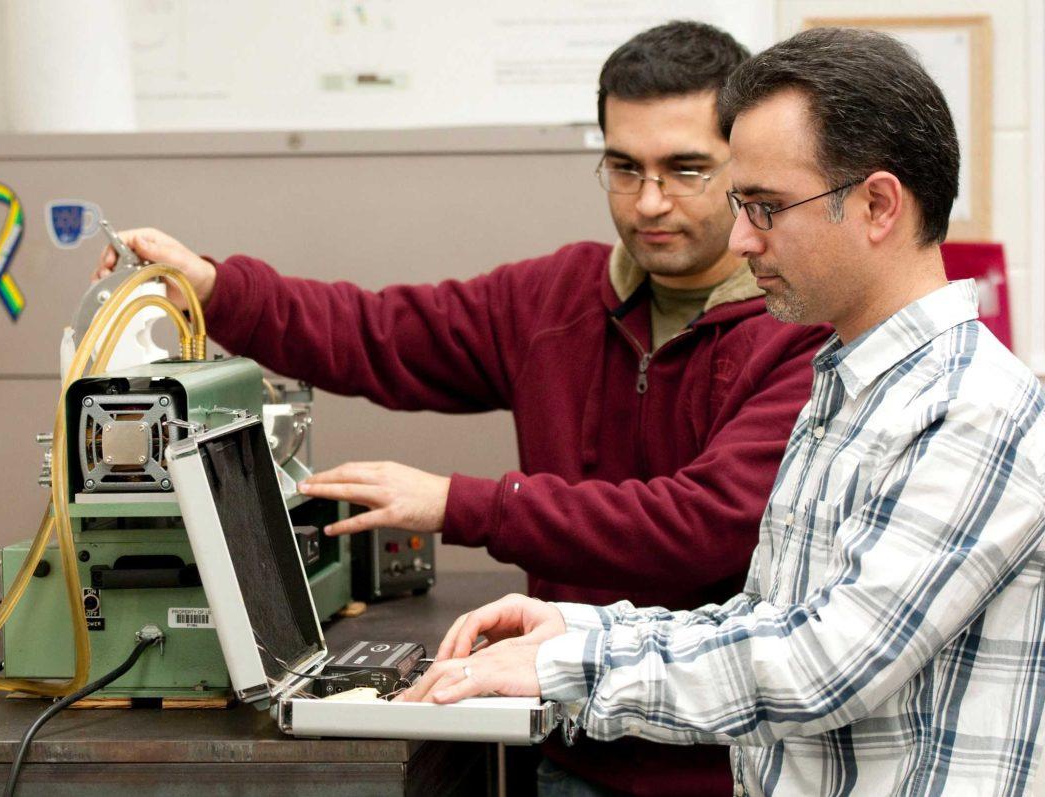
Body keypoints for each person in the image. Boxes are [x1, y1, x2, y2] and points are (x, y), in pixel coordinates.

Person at [95, 22, 829, 794]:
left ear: (742, 169)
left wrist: (460, 502)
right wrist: (214, 288)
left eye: (686, 169)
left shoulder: (797, 330)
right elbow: (375, 333)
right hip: (569, 748)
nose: (649, 201)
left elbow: (701, 526)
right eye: (623, 166)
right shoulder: (556, 298)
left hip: (723, 770)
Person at [399, 26, 1045, 796]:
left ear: (877, 204)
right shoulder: (849, 387)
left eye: (766, 207)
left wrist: (567, 665)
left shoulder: (976, 409)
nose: (740, 239)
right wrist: (580, 627)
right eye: (741, 204)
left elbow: (819, 665)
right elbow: (768, 620)